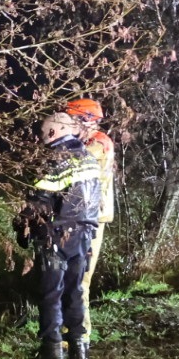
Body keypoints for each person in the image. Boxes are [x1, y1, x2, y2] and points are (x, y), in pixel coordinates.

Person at [14, 112, 102, 359]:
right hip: (84, 235)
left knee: (51, 294)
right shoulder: (88, 158)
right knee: (75, 292)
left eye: (43, 132)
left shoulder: (55, 159)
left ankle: (52, 352)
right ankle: (79, 350)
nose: (41, 137)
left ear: (53, 132)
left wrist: (21, 227)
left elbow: (39, 203)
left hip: (56, 236)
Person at [67, 98, 116, 338]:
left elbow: (77, 168)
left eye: (72, 119)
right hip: (79, 216)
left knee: (80, 278)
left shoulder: (98, 144)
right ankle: (70, 330)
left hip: (91, 218)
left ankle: (80, 335)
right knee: (71, 277)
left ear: (87, 120)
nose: (67, 124)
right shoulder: (86, 142)